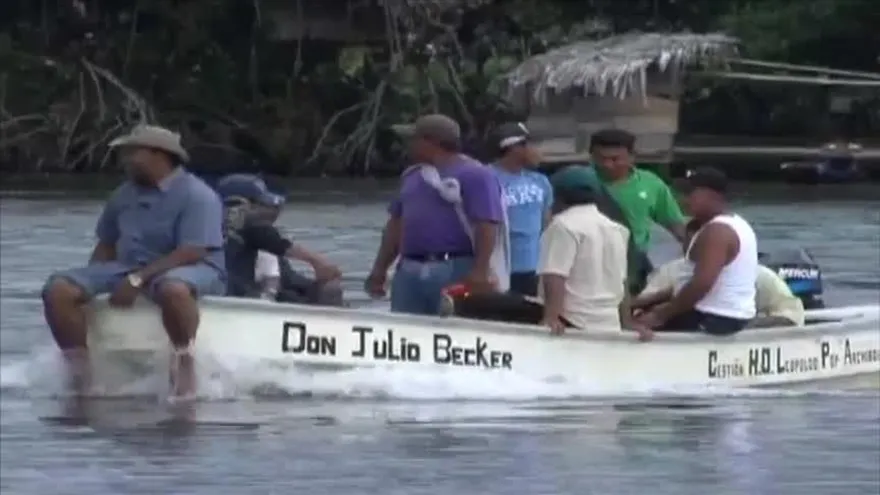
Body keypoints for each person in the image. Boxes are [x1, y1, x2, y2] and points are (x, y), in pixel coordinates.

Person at [41, 125, 227, 401]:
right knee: (58, 289)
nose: (125, 160)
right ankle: (80, 372)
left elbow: (192, 250)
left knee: (172, 289)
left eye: (132, 152)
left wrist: (139, 279)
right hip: (127, 267)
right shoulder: (123, 194)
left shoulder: (198, 195)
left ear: (159, 155)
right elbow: (107, 243)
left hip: (193, 267)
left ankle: (184, 360)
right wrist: (90, 285)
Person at [449, 166, 651, 341]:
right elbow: (622, 282)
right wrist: (627, 323)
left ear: (559, 196)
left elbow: (555, 276)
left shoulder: (563, 225)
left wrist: (551, 317)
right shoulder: (617, 229)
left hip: (572, 319)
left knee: (478, 302)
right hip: (608, 321)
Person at [365, 114, 508, 315]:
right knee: (404, 332)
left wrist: (480, 271)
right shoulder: (411, 176)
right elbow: (395, 225)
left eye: (413, 139)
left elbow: (487, 224)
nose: (408, 145)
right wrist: (380, 269)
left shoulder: (476, 175)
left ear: (430, 142)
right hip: (409, 269)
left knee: (453, 330)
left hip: (455, 267)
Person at [637, 168, 758, 335]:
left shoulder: (718, 231)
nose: (682, 200)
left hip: (716, 317)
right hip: (718, 311)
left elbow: (702, 284)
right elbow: (686, 281)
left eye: (690, 193)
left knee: (634, 322)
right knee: (639, 309)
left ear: (713, 196)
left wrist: (661, 315)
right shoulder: (730, 223)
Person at [634, 219, 805, 327]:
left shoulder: (761, 276)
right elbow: (640, 309)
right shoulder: (668, 272)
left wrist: (750, 328)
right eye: (695, 243)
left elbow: (792, 314)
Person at [586, 129, 686, 293]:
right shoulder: (577, 182)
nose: (607, 165)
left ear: (632, 157)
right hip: (589, 260)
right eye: (600, 159)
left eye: (615, 159)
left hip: (633, 261)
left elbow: (675, 224)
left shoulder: (651, 184)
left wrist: (695, 253)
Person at [215, 173, 343, 302]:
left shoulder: (262, 243)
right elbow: (270, 238)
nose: (270, 210)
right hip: (238, 297)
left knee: (328, 290)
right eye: (260, 204)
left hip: (253, 293)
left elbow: (289, 279)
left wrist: (319, 284)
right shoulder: (247, 231)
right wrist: (317, 261)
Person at [488, 122, 553, 296]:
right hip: (500, 268)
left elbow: (546, 225)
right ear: (515, 147)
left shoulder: (541, 181)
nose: (540, 151)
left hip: (535, 268)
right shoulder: (486, 179)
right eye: (533, 145)